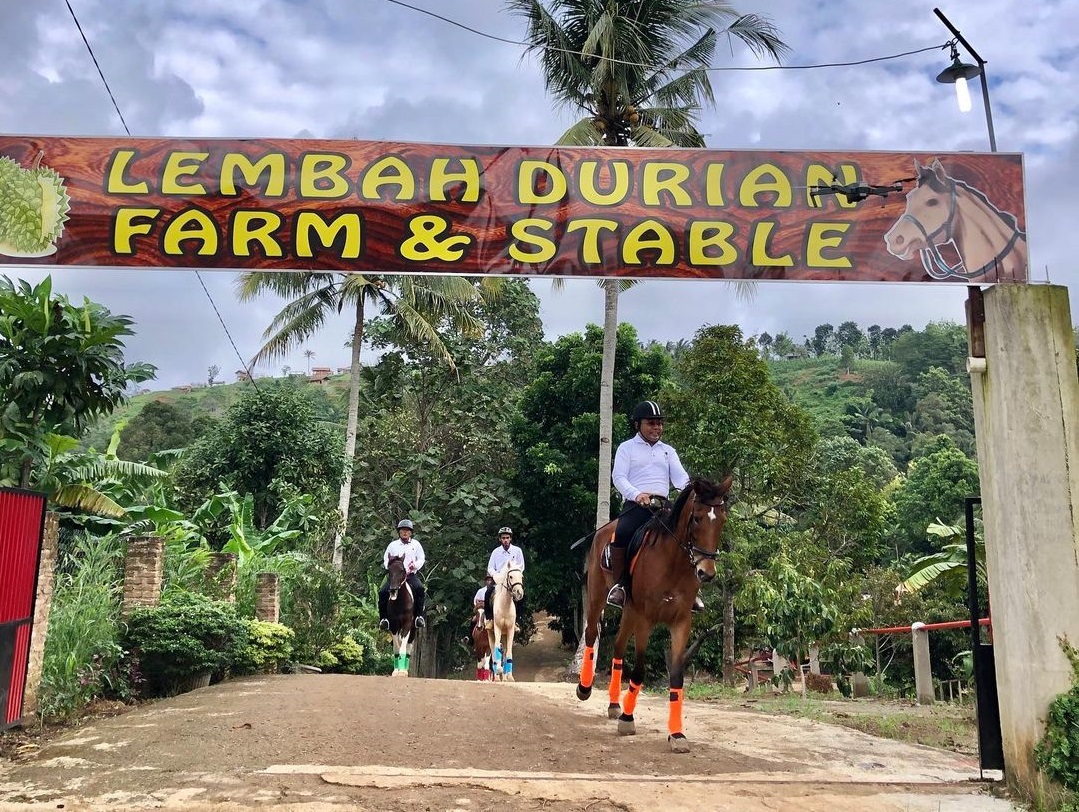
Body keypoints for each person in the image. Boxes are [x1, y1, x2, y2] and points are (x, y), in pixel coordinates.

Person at [607, 400, 697, 609]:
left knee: (689, 533)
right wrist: (637, 494)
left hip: (663, 506)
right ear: (638, 424)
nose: (657, 427)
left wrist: (692, 489)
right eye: (651, 423)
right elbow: (619, 477)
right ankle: (621, 586)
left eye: (659, 423)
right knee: (622, 532)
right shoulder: (626, 448)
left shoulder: (668, 451)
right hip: (637, 505)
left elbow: (680, 478)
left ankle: (691, 588)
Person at [378, 518, 426, 631]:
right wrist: (389, 566)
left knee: (420, 589)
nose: (405, 532)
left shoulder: (416, 544)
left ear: (410, 532)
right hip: (395, 577)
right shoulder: (393, 545)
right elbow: (386, 559)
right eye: (403, 530)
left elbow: (421, 558)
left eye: (407, 530)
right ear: (399, 532)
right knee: (382, 592)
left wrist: (415, 565)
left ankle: (419, 616)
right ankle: (383, 619)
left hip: (409, 576)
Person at [483, 526, 524, 629]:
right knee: (488, 593)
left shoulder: (517, 551)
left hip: (513, 579)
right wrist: (495, 575)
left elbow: (521, 565)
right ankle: (490, 619)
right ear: (500, 539)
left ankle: (516, 621)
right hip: (499, 579)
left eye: (507, 537)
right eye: (503, 538)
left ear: (510, 538)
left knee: (520, 595)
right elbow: (490, 567)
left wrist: (516, 575)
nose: (505, 540)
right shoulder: (495, 552)